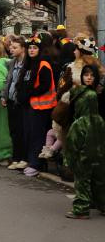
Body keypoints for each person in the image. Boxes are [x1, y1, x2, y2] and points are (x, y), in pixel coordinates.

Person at [63, 63, 105, 219]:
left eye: (92, 75)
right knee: (98, 174)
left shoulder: (89, 95)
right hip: (95, 136)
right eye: (86, 74)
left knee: (83, 174)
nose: (89, 77)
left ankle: (81, 208)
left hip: (86, 135)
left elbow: (83, 120)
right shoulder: (87, 93)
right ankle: (101, 204)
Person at [17, 37, 57, 178]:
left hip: (41, 107)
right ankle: (30, 161)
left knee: (37, 136)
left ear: (39, 50)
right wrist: (21, 94)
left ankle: (36, 164)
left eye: (35, 48)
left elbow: (44, 86)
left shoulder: (43, 63)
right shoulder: (28, 64)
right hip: (30, 105)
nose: (31, 50)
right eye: (30, 48)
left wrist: (29, 94)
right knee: (28, 135)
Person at [4, 36, 28, 170]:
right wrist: (4, 95)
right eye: (11, 47)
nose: (11, 49)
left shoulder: (27, 63)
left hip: (21, 101)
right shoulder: (12, 62)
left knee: (21, 130)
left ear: (22, 48)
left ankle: (23, 158)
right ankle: (16, 157)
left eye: (15, 47)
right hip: (11, 100)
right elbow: (8, 80)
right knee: (13, 130)